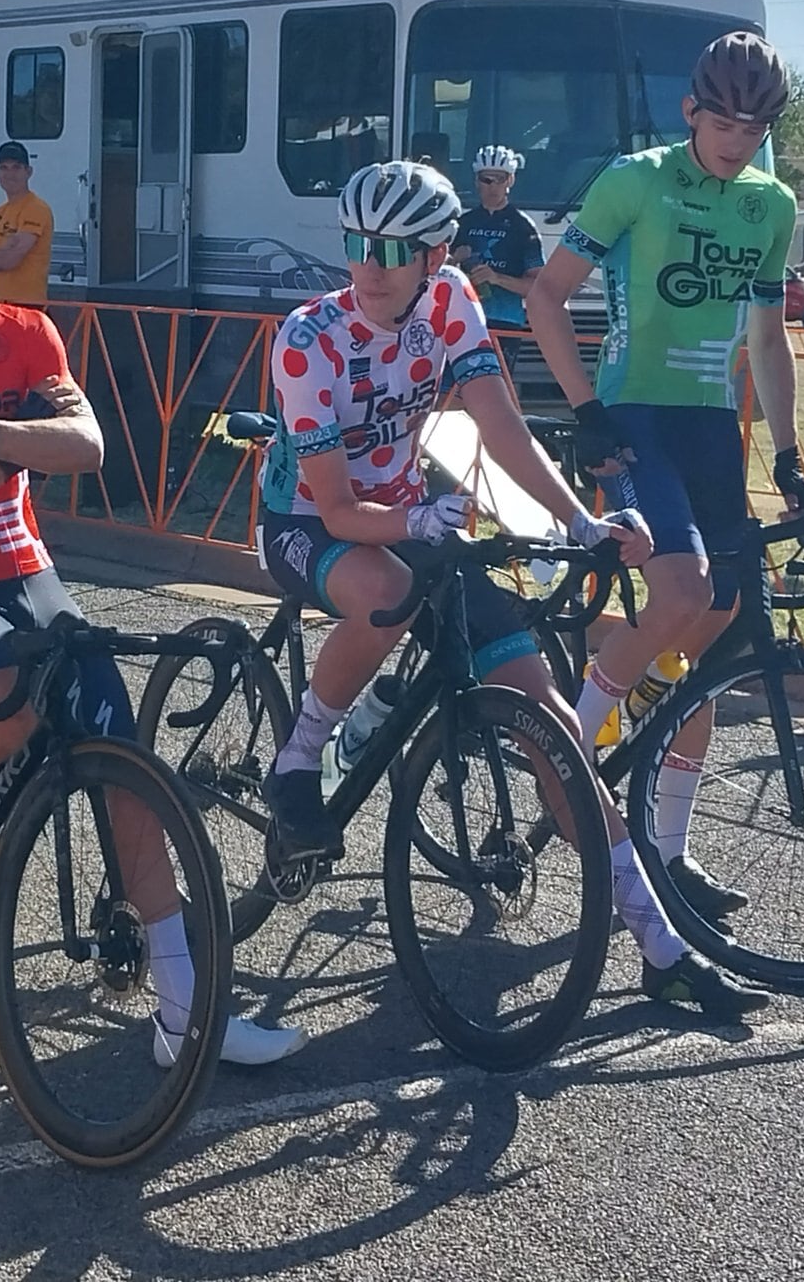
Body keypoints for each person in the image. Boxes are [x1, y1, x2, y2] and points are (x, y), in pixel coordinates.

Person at [258, 158, 767, 1019]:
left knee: (557, 729)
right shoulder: (309, 339)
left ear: (437, 255)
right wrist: (419, 520)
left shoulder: (452, 299)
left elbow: (500, 426)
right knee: (385, 591)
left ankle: (662, 948)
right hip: (309, 519)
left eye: (394, 249)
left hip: (412, 514)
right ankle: (300, 756)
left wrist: (581, 522)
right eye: (355, 242)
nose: (370, 265)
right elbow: (339, 509)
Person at [0, 152, 306, 1065]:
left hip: (27, 570)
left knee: (129, 772)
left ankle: (185, 1014)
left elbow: (85, 446)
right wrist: (11, 457)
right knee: (9, 700)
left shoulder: (27, 331)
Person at [526, 30, 804, 925]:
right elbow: (544, 295)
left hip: (709, 425)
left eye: (755, 127)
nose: (737, 140)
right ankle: (567, 745)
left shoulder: (770, 203)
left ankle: (669, 848)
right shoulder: (635, 180)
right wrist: (586, 410)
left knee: (711, 634)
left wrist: (789, 453)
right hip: (635, 416)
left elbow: (768, 337)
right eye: (724, 122)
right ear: (691, 111)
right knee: (683, 589)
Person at [449, 145, 543, 331]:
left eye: (500, 179)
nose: (493, 187)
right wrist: (454, 260)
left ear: (511, 180)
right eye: (486, 179)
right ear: (476, 181)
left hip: (505, 321)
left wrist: (496, 278)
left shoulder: (523, 227)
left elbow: (537, 288)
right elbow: (433, 271)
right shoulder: (462, 223)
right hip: (463, 317)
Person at [0, 141, 53, 307]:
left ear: (29, 172)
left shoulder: (36, 208)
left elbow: (10, 260)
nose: (10, 174)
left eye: (16, 167)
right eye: (4, 168)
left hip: (27, 304)